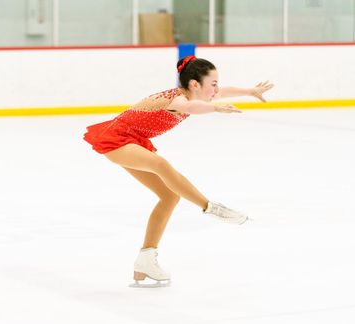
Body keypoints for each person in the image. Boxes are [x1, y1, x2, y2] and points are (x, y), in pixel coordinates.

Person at [83, 55, 273, 288]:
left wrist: (249, 91)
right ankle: (210, 207)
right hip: (117, 138)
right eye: (213, 84)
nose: (217, 89)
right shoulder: (179, 99)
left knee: (170, 196)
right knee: (160, 164)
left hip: (134, 141)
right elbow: (192, 107)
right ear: (195, 84)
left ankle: (146, 259)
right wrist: (214, 108)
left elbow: (221, 93)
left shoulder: (195, 94)